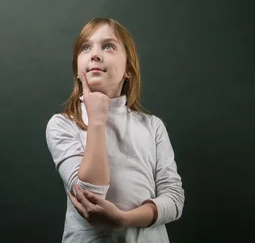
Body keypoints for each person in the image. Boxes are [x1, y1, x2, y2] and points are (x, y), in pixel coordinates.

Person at [45, 17, 184, 242]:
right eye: (86, 47)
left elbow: (174, 198)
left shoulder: (152, 126)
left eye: (108, 46)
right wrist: (97, 121)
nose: (95, 54)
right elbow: (91, 193)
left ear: (128, 68)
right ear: (78, 67)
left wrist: (123, 219)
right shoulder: (63, 124)